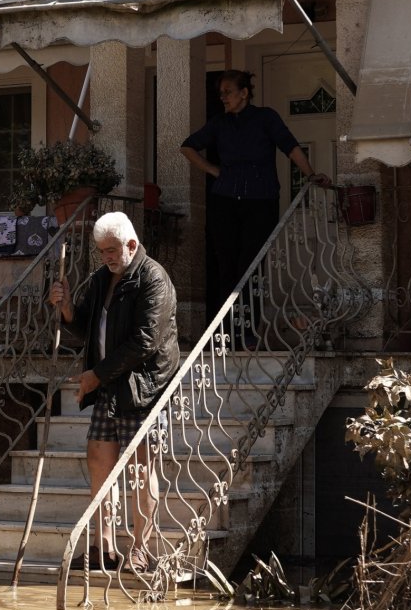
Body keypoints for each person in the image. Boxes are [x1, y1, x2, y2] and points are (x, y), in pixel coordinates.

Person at [47, 211, 179, 570]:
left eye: (111, 249)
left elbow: (145, 341)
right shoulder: (102, 277)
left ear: (131, 245)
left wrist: (96, 376)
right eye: (101, 250)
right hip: (109, 384)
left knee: (141, 467)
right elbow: (83, 327)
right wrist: (67, 307)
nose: (105, 256)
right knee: (99, 459)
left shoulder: (154, 278)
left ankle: (140, 549)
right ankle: (103, 546)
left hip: (143, 388)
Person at [180, 70, 329, 318]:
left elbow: (290, 147)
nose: (223, 98)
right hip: (225, 201)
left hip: (261, 200)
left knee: (251, 264)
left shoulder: (265, 118)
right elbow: (187, 147)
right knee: (226, 265)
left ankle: (248, 330)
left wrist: (310, 174)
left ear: (244, 93)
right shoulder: (219, 123)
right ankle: (227, 331)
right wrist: (214, 171)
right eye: (221, 94)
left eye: (228, 92)